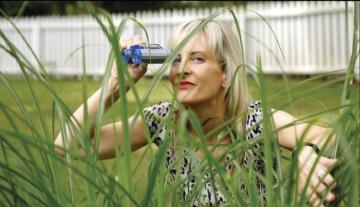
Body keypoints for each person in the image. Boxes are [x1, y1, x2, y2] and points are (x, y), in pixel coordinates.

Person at [55, 19, 339, 206]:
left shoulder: (253, 120)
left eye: (198, 59)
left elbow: (331, 136)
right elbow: (68, 146)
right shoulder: (163, 121)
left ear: (226, 74)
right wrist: (116, 84)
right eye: (176, 59)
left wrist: (306, 153)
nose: (183, 68)